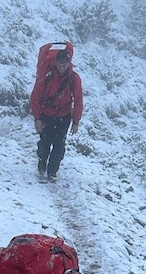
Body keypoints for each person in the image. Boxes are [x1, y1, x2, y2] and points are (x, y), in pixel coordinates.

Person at [30, 49, 83, 182]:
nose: (62, 64)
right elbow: (35, 96)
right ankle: (42, 164)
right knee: (45, 143)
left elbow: (78, 100)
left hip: (64, 117)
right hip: (46, 115)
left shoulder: (74, 78)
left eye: (65, 62)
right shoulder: (47, 75)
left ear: (69, 63)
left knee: (59, 146)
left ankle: (52, 171)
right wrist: (37, 118)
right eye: (60, 61)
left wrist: (75, 121)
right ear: (55, 61)